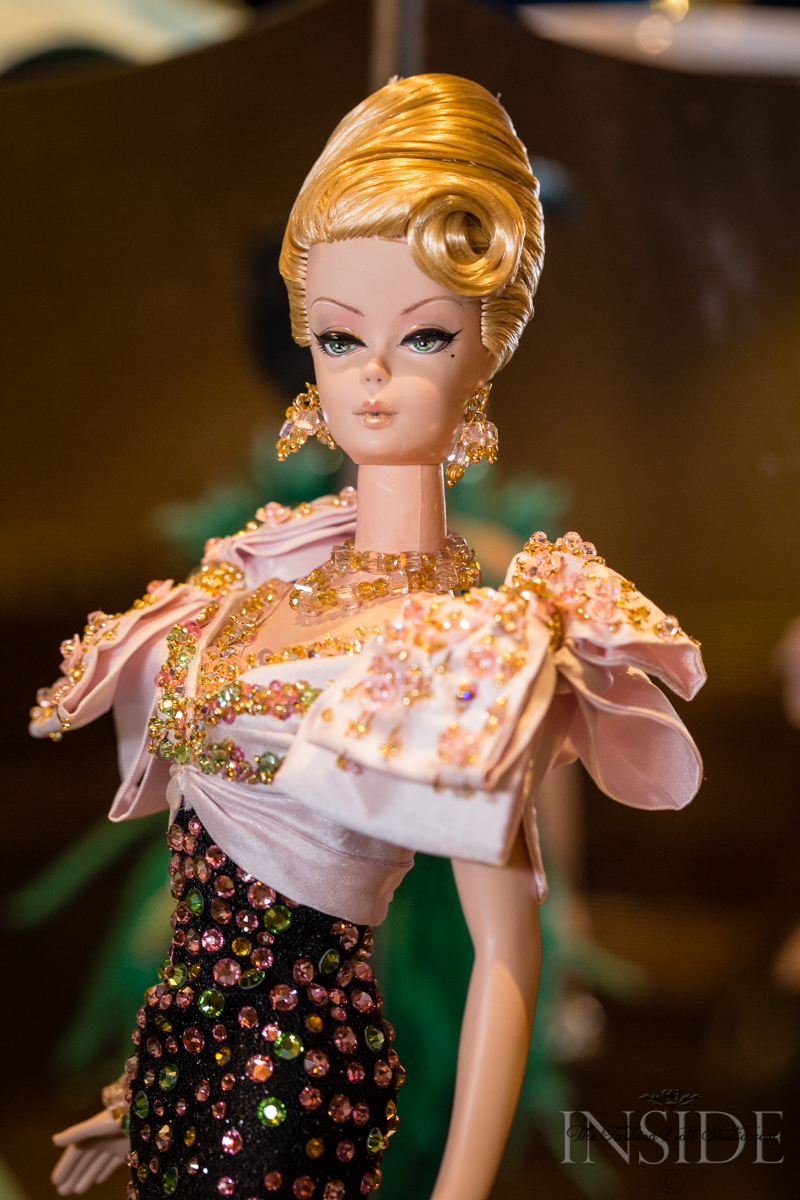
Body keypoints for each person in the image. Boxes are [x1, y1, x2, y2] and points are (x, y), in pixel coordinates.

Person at [30, 73, 706, 1200]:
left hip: (297, 1091)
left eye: (424, 335)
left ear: (487, 349)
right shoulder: (253, 578)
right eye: (341, 339)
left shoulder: (472, 635)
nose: (376, 376)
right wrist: (146, 1090)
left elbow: (505, 950)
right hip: (179, 1073)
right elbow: (209, 908)